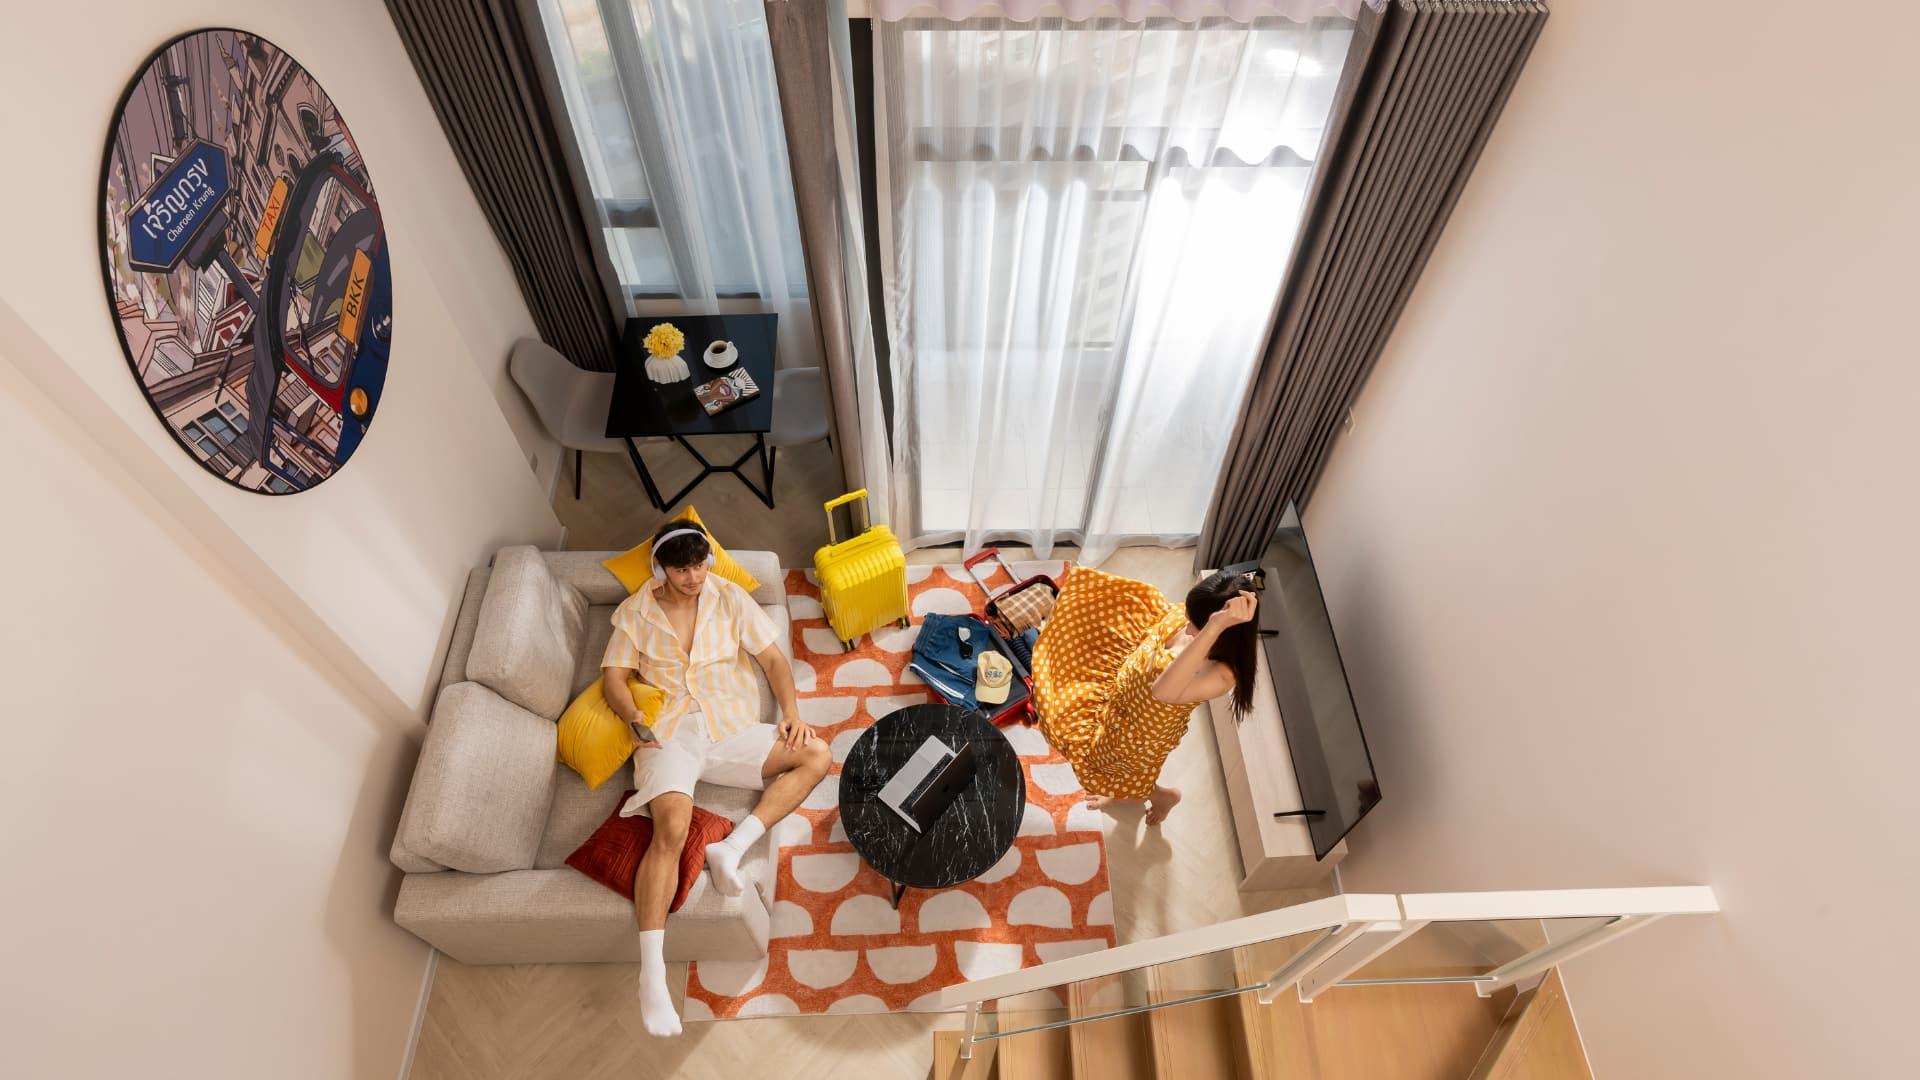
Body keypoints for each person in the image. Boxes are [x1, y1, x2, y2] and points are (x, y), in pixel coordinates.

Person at [600, 521, 830, 1037]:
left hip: (729, 728)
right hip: (670, 734)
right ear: (663, 568)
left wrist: (791, 710)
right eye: (682, 568)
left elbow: (771, 657)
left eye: (700, 564)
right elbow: (614, 676)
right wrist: (633, 719)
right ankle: (652, 973)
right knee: (672, 831)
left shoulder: (726, 595)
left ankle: (734, 845)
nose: (694, 576)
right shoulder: (636, 614)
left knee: (816, 752)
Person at [1031, 568, 1259, 826]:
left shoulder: (1221, 674)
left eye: (1195, 623)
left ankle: (1164, 797)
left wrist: (1214, 627)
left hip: (1139, 732)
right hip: (1123, 692)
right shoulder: (1195, 621)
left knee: (1111, 770)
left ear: (1222, 629)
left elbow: (1163, 691)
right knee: (1113, 771)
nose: (1186, 626)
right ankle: (1118, 789)